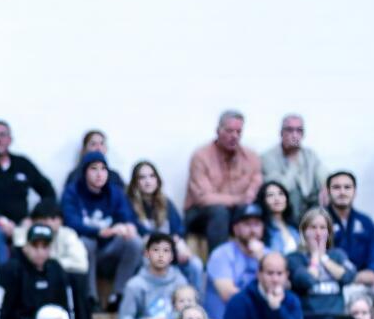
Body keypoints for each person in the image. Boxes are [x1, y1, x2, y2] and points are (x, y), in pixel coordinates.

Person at [0, 120, 57, 266]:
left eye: (2, 135)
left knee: (42, 230)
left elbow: (48, 191)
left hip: (22, 222)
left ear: (10, 140)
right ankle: (5, 280)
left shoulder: (23, 164)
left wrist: (34, 218)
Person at [60, 152, 144, 304]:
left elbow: (127, 216)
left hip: (111, 248)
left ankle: (118, 295)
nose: (99, 174)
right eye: (94, 169)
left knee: (135, 242)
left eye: (103, 169)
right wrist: (99, 231)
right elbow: (71, 222)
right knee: (86, 243)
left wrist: (128, 226)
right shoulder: (72, 192)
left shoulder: (115, 192)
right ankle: (90, 298)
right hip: (86, 250)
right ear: (84, 171)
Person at [0, 225, 75, 319]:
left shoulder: (57, 269)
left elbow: (67, 306)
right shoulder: (10, 270)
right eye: (35, 246)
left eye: (45, 247)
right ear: (26, 247)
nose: (40, 252)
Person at [184, 111, 263, 252]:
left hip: (235, 213)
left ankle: (261, 259)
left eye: (239, 132)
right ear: (218, 131)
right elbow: (204, 199)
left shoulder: (251, 156)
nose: (234, 136)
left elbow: (255, 185)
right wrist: (239, 199)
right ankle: (218, 263)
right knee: (219, 212)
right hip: (200, 214)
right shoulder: (201, 156)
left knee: (256, 209)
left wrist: (249, 195)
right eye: (229, 131)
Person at [127, 160, 205, 291]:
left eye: (152, 176)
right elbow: (137, 230)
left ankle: (194, 305)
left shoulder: (165, 202)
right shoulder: (128, 203)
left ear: (157, 180)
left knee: (195, 265)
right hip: (146, 255)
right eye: (142, 177)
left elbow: (178, 230)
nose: (148, 181)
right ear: (135, 182)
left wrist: (179, 244)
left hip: (170, 252)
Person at [13, 200, 93, 319]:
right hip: (30, 277)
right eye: (43, 219)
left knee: (77, 278)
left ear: (60, 220)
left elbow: (82, 265)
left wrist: (51, 263)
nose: (48, 223)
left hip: (55, 278)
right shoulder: (26, 231)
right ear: (33, 221)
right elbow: (20, 250)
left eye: (53, 218)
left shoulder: (68, 234)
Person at [288, 209, 356, 319]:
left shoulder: (337, 255)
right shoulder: (295, 258)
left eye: (322, 228)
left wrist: (323, 258)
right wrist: (314, 256)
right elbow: (306, 280)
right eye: (313, 228)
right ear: (303, 232)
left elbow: (348, 276)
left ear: (329, 232)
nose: (318, 233)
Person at [118, 233, 189, 319]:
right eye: (156, 250)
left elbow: (189, 312)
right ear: (147, 254)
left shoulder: (180, 282)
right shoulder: (135, 285)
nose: (161, 255)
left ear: (172, 256)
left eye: (166, 251)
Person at [203, 203, 264, 319]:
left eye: (257, 224)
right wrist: (266, 298)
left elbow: (282, 287)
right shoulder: (222, 254)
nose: (253, 230)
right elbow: (229, 295)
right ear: (235, 229)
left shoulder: (267, 254)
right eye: (247, 224)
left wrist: (261, 259)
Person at [261, 114, 326, 218]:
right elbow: (281, 187)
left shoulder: (310, 155)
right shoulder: (268, 157)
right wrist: (293, 159)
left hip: (310, 202)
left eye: (299, 131)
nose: (295, 135)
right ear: (281, 133)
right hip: (286, 205)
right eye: (290, 130)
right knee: (294, 195)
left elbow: (324, 175)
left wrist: (326, 187)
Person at [325, 171, 374, 287]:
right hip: (332, 279)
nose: (342, 192)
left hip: (364, 279)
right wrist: (347, 275)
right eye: (336, 187)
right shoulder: (319, 220)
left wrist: (373, 270)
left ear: (355, 192)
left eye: (347, 187)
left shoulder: (365, 221)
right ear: (328, 192)